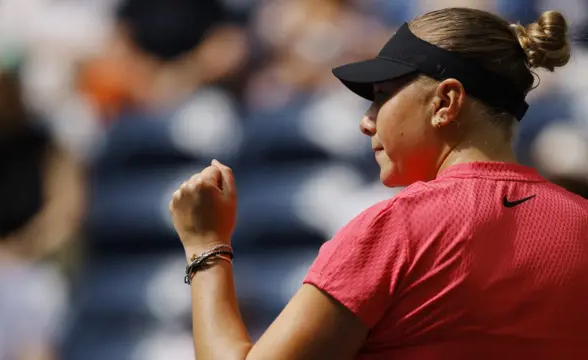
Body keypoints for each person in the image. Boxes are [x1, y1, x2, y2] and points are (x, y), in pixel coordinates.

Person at [168, 7, 588, 360]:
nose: (367, 121)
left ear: (445, 102)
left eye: (382, 96)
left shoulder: (397, 227)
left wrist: (206, 245)